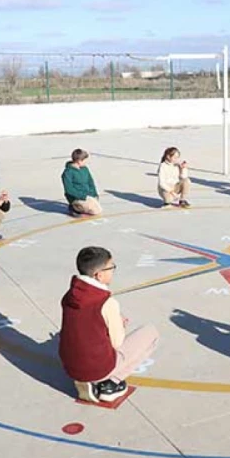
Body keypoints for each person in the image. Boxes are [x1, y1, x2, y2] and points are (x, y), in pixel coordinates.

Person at [59, 247, 159, 403]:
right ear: (99, 275)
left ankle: (89, 379)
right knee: (151, 333)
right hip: (97, 367)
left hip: (69, 366)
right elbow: (117, 343)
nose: (113, 271)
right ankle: (110, 385)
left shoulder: (70, 295)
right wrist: (119, 324)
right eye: (111, 268)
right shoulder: (106, 302)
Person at [62, 149, 102, 216]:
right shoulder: (68, 173)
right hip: (77, 197)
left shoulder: (85, 169)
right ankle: (74, 208)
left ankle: (83, 206)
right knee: (95, 211)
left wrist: (94, 194)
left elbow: (90, 182)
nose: (86, 162)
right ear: (79, 161)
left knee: (99, 209)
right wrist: (83, 196)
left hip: (87, 195)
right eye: (85, 160)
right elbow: (69, 190)